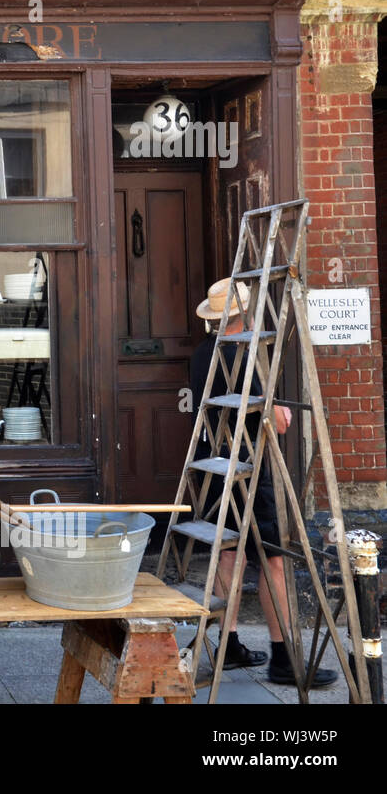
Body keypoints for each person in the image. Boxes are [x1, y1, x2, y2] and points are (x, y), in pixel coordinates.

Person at [189, 278, 335, 687]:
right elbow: (276, 420)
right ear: (245, 314)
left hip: (212, 466)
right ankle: (284, 659)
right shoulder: (243, 355)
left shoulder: (203, 354)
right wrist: (280, 410)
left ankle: (230, 644)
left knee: (229, 553)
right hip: (248, 468)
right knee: (272, 559)